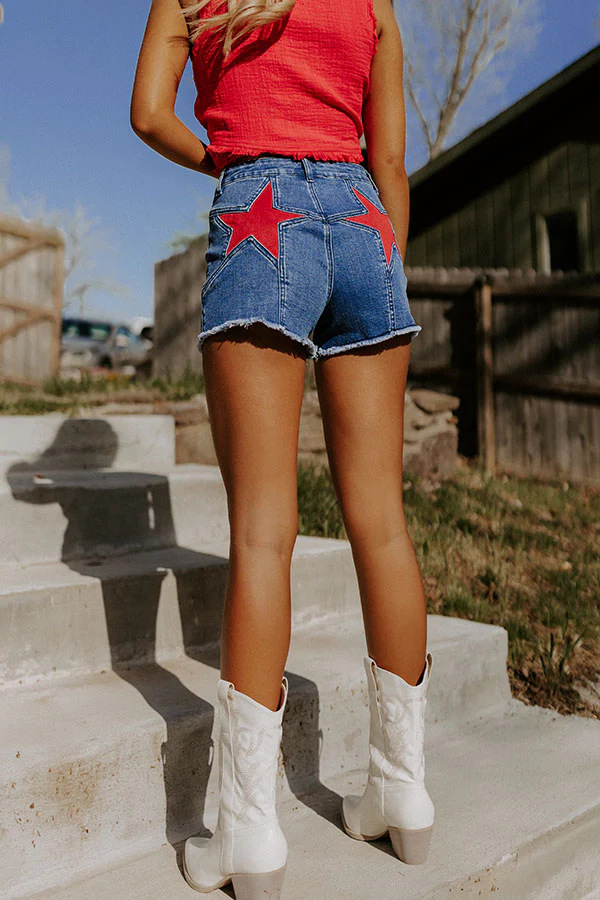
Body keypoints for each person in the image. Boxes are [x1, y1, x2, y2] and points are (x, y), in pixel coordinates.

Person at [130, 0, 434, 896]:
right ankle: (404, 792)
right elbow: (391, 160)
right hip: (366, 222)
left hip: (261, 215)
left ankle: (248, 834)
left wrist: (224, 158)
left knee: (264, 531)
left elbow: (148, 114)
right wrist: (382, 265)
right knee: (383, 522)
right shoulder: (374, 3)